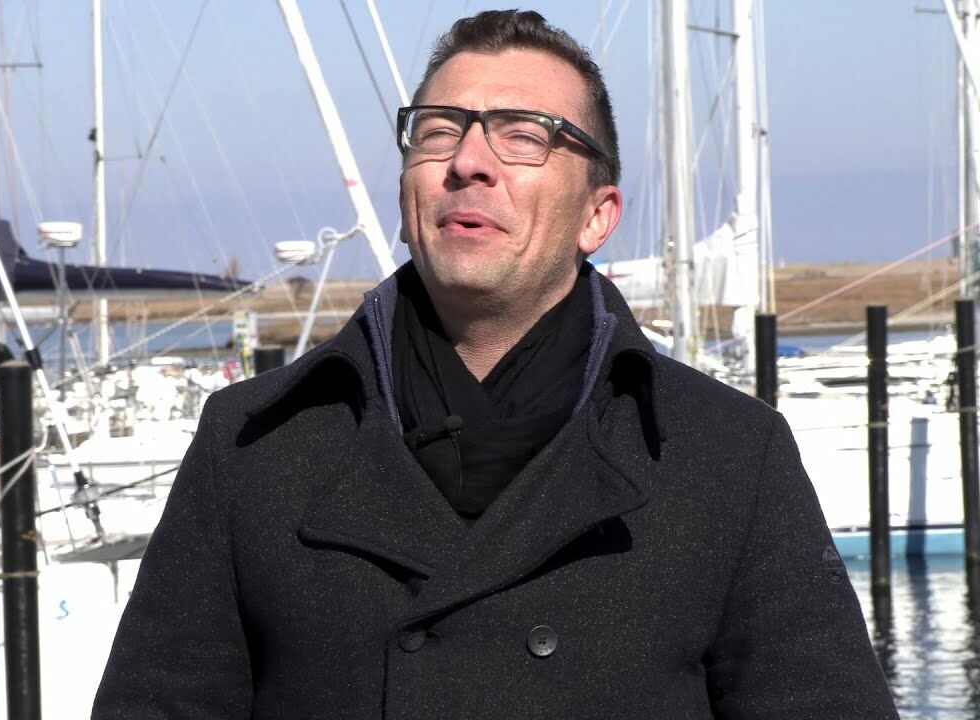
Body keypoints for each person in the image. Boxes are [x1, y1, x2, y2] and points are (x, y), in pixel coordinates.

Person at [92, 10, 897, 719]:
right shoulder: (252, 444)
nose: (468, 161)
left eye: (523, 134)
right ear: (405, 193)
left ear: (597, 216)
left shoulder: (728, 456)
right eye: (439, 131)